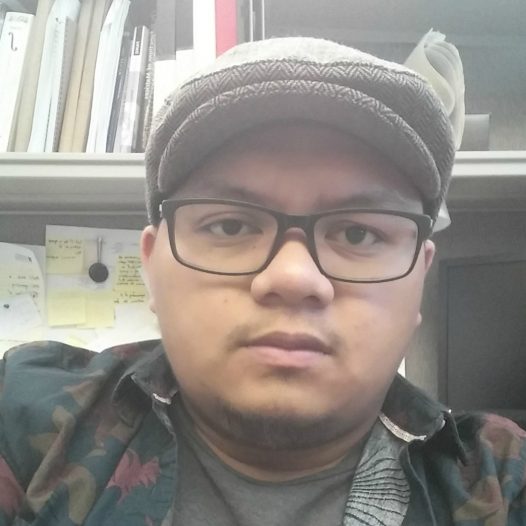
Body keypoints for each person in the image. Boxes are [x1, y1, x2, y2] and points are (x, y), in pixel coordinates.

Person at [0, 37, 524, 526]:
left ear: (419, 277)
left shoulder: (503, 482)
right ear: (153, 267)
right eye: (230, 226)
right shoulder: (23, 420)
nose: (293, 278)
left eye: (358, 233)